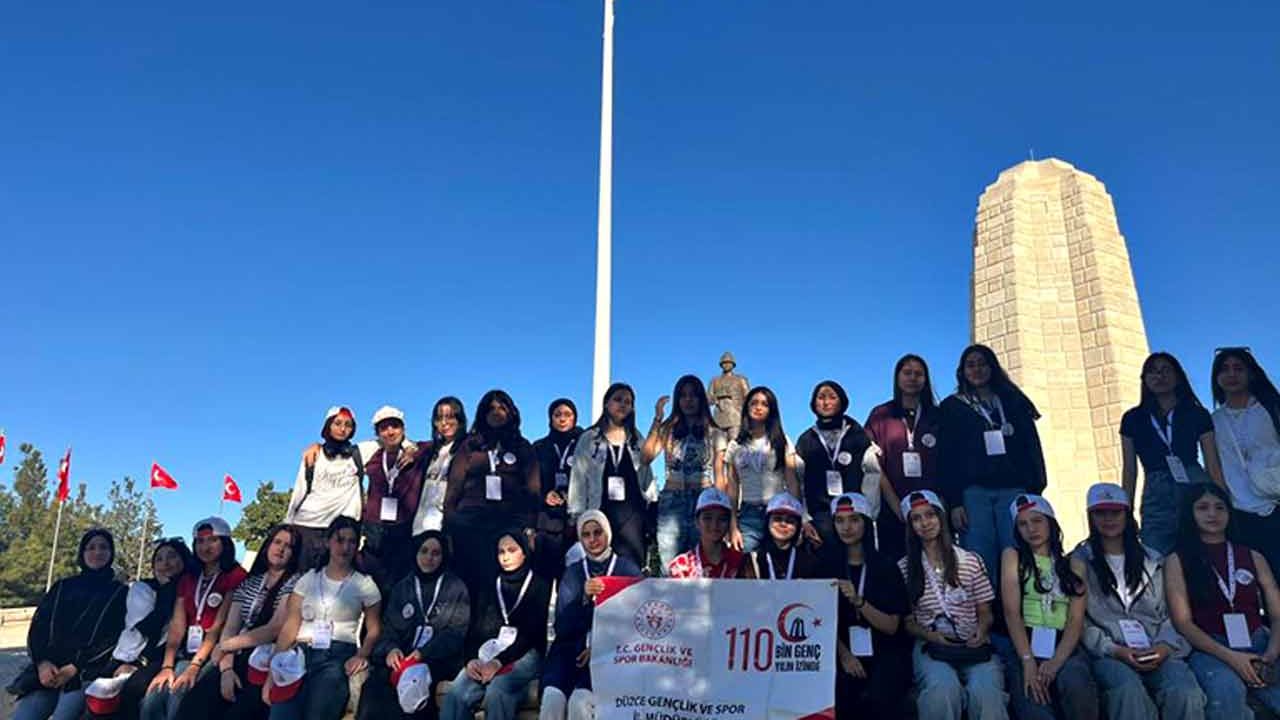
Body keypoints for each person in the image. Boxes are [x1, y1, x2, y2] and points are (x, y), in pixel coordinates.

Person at [1072, 483, 1205, 720]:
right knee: (1127, 690)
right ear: (1090, 517)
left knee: (1185, 692)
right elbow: (1081, 622)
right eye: (1101, 513)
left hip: (1158, 649)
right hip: (1110, 653)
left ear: (1127, 514)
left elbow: (1171, 614)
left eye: (1115, 512)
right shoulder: (1079, 562)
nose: (1109, 519)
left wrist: (1164, 647)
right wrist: (1115, 650)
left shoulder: (1154, 560)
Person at [1165, 483, 1280, 720]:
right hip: (1210, 648)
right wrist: (1232, 658)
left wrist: (1270, 654)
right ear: (1190, 513)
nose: (1212, 514)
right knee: (1226, 690)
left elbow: (1277, 614)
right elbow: (1183, 623)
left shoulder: (1253, 556)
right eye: (1203, 507)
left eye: (1220, 507)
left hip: (1259, 642)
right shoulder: (1177, 560)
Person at [937, 344, 1047, 587]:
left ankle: (1017, 608)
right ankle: (988, 609)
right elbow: (946, 458)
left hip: (1014, 490)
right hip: (973, 494)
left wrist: (1035, 490)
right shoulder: (952, 406)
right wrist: (954, 502)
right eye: (971, 365)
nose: (977, 369)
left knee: (1017, 553)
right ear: (962, 371)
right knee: (979, 558)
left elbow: (1031, 446)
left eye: (982, 364)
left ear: (992, 367)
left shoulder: (1012, 400)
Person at [897, 490, 1006, 720]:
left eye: (930, 515)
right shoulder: (904, 568)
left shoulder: (970, 560)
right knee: (942, 691)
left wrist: (982, 630)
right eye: (916, 518)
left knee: (987, 693)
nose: (925, 523)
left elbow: (985, 611)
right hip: (932, 645)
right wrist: (931, 636)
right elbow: (907, 622)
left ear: (941, 517)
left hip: (972, 644)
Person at [176, 525, 303, 720]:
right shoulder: (249, 582)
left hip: (263, 660)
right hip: (233, 655)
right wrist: (227, 669)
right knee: (192, 706)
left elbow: (275, 627)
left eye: (288, 546)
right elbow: (231, 626)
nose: (281, 549)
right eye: (277, 542)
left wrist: (224, 646)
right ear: (268, 545)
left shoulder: (295, 582)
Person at [266, 516, 382, 720]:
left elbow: (373, 629)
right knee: (281, 714)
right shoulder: (308, 579)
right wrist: (272, 672)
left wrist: (362, 655)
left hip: (337, 656)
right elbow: (291, 625)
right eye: (340, 540)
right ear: (328, 542)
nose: (345, 547)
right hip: (298, 654)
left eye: (351, 542)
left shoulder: (365, 584)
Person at [997, 495, 1098, 720]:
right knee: (1032, 699)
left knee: (1076, 685)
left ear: (1050, 523)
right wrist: (1027, 660)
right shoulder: (1012, 556)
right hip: (1026, 642)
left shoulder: (1074, 563)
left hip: (1063, 643)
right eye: (1023, 524)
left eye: (1037, 521)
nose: (1031, 529)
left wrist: (1056, 662)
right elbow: (1012, 613)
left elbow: (1075, 620)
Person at [12, 529, 126, 720]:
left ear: (111, 553)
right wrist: (42, 662)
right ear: (82, 553)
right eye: (91, 547)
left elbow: (113, 638)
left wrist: (75, 667)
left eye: (103, 547)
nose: (97, 552)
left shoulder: (119, 593)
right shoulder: (62, 587)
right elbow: (39, 626)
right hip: (49, 670)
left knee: (64, 715)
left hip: (85, 672)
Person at [539, 511, 643, 720]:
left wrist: (601, 646)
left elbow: (636, 624)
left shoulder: (627, 570)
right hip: (570, 652)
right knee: (552, 698)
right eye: (586, 535)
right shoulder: (573, 572)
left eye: (598, 532)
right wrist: (584, 598)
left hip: (612, 654)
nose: (593, 539)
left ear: (608, 534)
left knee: (580, 702)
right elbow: (562, 626)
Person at [1120, 352, 1225, 555]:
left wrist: (1223, 501)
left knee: (1205, 549)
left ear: (1178, 376)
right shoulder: (1133, 418)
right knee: (1156, 552)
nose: (1159, 376)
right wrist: (1126, 509)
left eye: (1166, 370)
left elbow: (1213, 463)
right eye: (1153, 372)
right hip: (1156, 487)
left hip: (1194, 481)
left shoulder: (1196, 413)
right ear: (1144, 379)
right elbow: (1129, 470)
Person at [143, 518, 247, 720]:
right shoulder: (189, 577)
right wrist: (166, 667)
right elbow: (177, 625)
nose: (205, 547)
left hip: (215, 653)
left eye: (212, 540)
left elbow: (218, 626)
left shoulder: (236, 575)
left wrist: (194, 667)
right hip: (187, 651)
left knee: (179, 695)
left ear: (225, 543)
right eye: (200, 541)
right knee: (153, 697)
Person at [359, 530, 470, 720]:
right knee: (374, 686)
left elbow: (455, 634)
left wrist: (424, 653)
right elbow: (389, 628)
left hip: (436, 659)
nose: (429, 558)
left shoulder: (456, 588)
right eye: (424, 551)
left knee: (416, 682)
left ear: (443, 557)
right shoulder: (403, 587)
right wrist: (391, 649)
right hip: (403, 656)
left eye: (435, 553)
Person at [441, 532, 550, 720]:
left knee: (498, 689)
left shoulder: (539, 585)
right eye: (501, 552)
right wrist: (471, 659)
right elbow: (476, 627)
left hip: (525, 653)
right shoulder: (490, 583)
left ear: (524, 553)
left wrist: (498, 662)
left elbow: (531, 634)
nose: (505, 557)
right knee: (456, 694)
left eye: (512, 550)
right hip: (491, 650)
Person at [444, 390, 540, 599]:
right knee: (470, 585)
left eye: (502, 408)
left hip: (508, 525)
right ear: (483, 413)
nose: (496, 413)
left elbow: (532, 490)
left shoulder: (522, 446)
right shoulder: (470, 445)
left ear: (511, 412)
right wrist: (450, 523)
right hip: (470, 524)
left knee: (501, 590)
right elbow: (454, 487)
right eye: (491, 409)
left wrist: (530, 527)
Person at [822, 492, 911, 719]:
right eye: (840, 521)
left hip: (884, 648)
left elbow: (892, 626)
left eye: (854, 520)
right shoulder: (825, 566)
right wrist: (844, 655)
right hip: (840, 649)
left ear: (866, 523)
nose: (846, 527)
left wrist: (859, 602)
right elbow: (820, 621)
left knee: (883, 694)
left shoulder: (886, 566)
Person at [89, 539, 193, 720]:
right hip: (135, 656)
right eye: (159, 559)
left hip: (169, 658)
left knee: (142, 695)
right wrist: (168, 590)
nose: (165, 563)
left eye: (172, 556)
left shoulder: (192, 589)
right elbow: (148, 627)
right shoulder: (143, 589)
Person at [568, 383, 656, 568]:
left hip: (632, 519)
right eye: (617, 399)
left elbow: (647, 476)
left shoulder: (636, 438)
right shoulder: (590, 438)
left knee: (631, 571)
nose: (623, 404)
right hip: (600, 514)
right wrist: (577, 516)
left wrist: (651, 509)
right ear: (606, 403)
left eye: (628, 402)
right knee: (599, 571)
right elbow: (578, 479)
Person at [643, 374, 728, 567]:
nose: (688, 400)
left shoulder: (714, 432)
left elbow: (719, 475)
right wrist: (658, 419)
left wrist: (722, 511)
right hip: (673, 500)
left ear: (701, 399)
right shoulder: (668, 429)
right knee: (671, 565)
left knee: (702, 565)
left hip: (703, 500)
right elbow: (646, 457)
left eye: (693, 395)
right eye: (683, 395)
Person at [865, 354, 941, 560]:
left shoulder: (938, 415)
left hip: (932, 508)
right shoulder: (880, 414)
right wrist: (895, 504)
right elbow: (873, 464)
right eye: (907, 373)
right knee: (896, 565)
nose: (912, 378)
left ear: (925, 379)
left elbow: (949, 462)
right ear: (897, 377)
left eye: (918, 374)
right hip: (893, 509)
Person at [1211, 347, 1280, 570]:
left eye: (1238, 368)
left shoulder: (1272, 407)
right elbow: (1214, 466)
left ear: (1251, 373)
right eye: (1224, 369)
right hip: (1240, 513)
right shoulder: (1214, 420)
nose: (1231, 374)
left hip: (1275, 503)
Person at [795, 380, 880, 548]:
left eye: (832, 397)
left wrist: (869, 513)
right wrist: (805, 519)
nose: (826, 403)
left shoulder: (858, 435)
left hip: (855, 513)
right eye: (821, 398)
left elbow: (873, 476)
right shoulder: (806, 440)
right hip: (820, 518)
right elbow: (798, 481)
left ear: (842, 402)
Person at [286, 406, 367, 569]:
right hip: (307, 528)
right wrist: (287, 525)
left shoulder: (361, 453)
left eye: (348, 425)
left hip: (341, 531)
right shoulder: (314, 455)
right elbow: (299, 490)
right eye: (337, 423)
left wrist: (411, 448)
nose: (342, 429)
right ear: (328, 426)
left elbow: (391, 440)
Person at [725, 386, 800, 554]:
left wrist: (799, 517)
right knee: (743, 559)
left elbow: (792, 482)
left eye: (765, 404)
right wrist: (733, 526)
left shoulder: (782, 441)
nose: (758, 407)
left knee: (780, 562)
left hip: (778, 512)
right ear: (746, 407)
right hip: (748, 513)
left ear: (771, 410)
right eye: (754, 403)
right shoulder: (735, 445)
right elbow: (733, 488)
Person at [532, 398, 585, 579]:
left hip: (575, 524)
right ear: (550, 418)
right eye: (557, 415)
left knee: (573, 582)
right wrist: (544, 496)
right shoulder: (539, 447)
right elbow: (530, 483)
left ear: (575, 418)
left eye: (568, 415)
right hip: (547, 525)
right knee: (543, 579)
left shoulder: (585, 445)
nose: (562, 419)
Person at [411, 397, 467, 536]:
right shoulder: (430, 450)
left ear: (459, 419)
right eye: (439, 418)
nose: (444, 423)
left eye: (449, 417)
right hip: (420, 524)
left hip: (446, 526)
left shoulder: (468, 448)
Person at [666, 488, 747, 579]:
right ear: (697, 522)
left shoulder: (740, 562)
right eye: (707, 518)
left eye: (722, 519)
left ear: (729, 523)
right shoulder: (681, 566)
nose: (714, 524)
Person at [742, 493, 821, 579]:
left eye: (790, 521)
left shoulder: (808, 561)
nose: (783, 524)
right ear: (767, 522)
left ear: (798, 527)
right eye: (777, 519)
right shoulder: (753, 560)